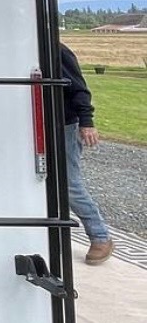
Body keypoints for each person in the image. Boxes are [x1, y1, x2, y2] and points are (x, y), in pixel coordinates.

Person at [60, 43, 114, 265]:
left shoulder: (57, 50)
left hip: (64, 125)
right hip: (35, 126)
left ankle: (100, 236)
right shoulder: (25, 48)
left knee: (68, 184)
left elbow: (79, 89)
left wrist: (87, 122)